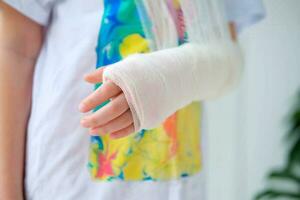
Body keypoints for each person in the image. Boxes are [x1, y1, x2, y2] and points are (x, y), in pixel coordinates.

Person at [0, 0, 265, 199]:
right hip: (68, 180)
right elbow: (14, 47)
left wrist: (158, 79)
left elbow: (225, 58)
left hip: (178, 183)